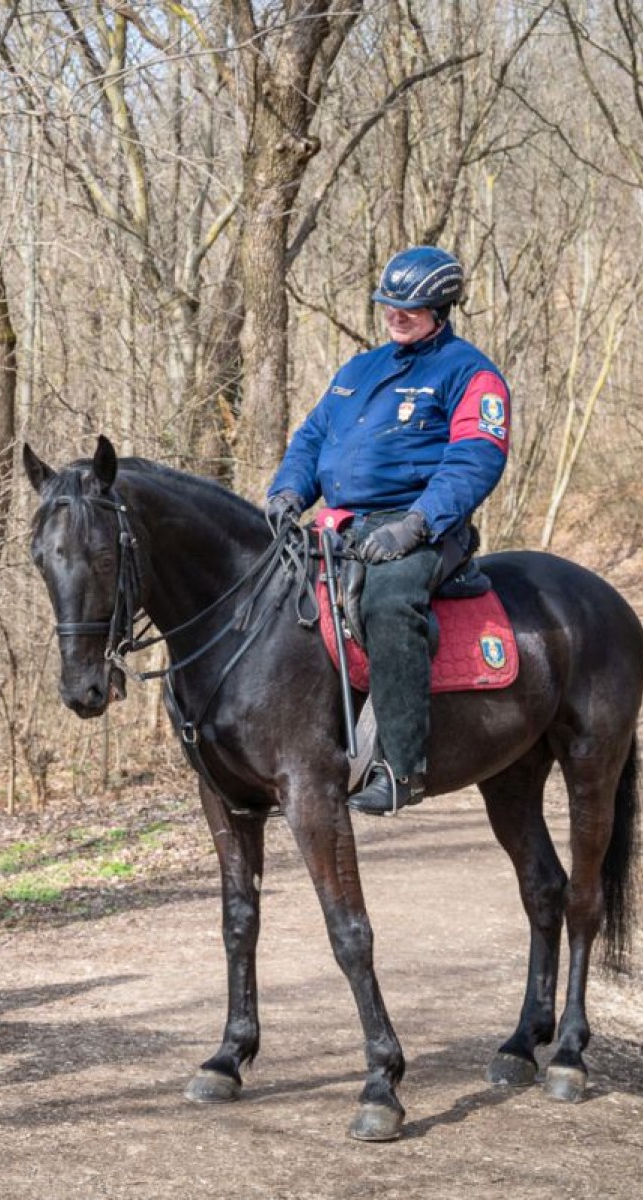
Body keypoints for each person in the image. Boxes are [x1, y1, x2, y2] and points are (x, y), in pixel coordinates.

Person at [264, 246, 511, 816]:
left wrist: (417, 524)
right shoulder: (358, 370)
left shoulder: (471, 373)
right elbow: (310, 440)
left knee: (388, 602)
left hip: (422, 527)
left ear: (442, 307)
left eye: (411, 307)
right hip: (342, 523)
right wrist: (287, 492)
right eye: (389, 305)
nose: (396, 315)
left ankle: (402, 768)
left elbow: (475, 458)